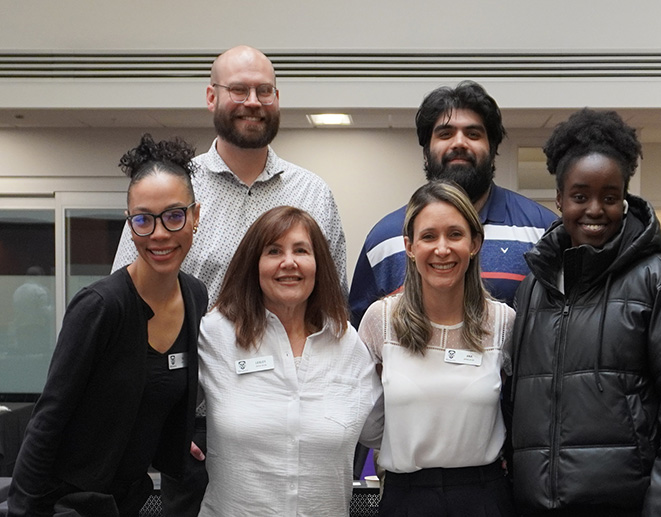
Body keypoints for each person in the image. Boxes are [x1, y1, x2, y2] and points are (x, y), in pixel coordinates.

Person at [111, 45, 348, 515]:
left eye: (265, 90)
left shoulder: (313, 194)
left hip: (295, 417)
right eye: (238, 89)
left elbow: (332, 309)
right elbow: (128, 307)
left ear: (278, 97)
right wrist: (155, 421)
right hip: (195, 428)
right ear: (211, 96)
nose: (253, 101)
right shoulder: (174, 188)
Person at [510, 108, 661, 516]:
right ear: (560, 200)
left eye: (610, 197)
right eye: (581, 196)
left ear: (625, 199)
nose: (595, 210)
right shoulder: (535, 286)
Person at [7, 134, 208, 517]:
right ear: (130, 225)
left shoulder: (195, 296)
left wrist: (177, 440)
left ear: (195, 217)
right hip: (63, 502)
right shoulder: (101, 306)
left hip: (125, 499)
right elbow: (47, 421)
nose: (160, 234)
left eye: (174, 215)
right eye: (144, 220)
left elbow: (156, 393)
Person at [197, 206, 382, 517]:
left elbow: (382, 433)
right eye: (273, 251)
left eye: (301, 250)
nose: (289, 262)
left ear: (318, 264)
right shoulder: (215, 334)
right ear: (253, 265)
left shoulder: (346, 342)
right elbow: (164, 403)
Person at [359, 181, 516, 517]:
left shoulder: (504, 322)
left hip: (484, 496)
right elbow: (366, 421)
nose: (442, 249)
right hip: (406, 496)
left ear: (474, 243)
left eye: (455, 235)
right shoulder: (381, 320)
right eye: (429, 236)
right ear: (410, 246)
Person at [349, 80, 556, 328]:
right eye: (445, 134)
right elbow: (361, 341)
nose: (459, 143)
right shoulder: (385, 240)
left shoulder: (542, 231)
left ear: (492, 150)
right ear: (426, 153)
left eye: (473, 134)